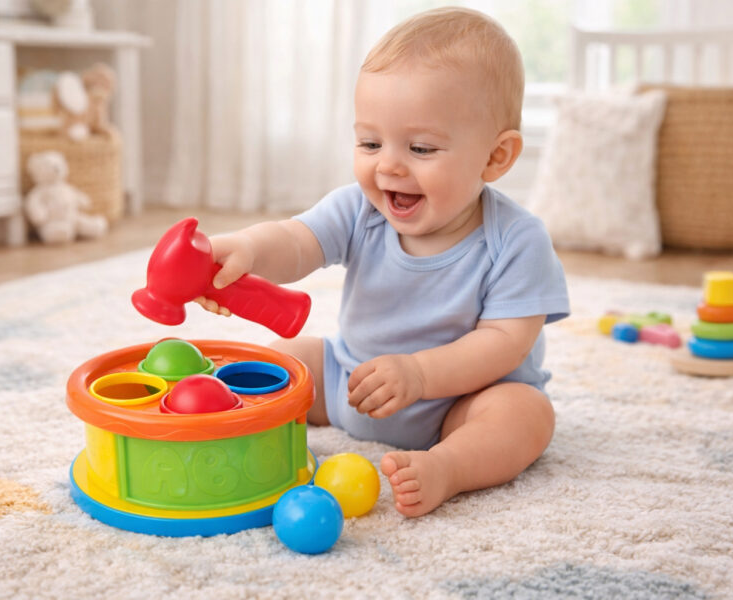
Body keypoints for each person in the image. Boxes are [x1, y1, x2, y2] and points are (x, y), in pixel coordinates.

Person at [196, 7, 570, 517]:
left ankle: (449, 467)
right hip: (349, 382)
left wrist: (419, 374)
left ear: (494, 157)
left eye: (421, 148)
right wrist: (249, 249)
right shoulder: (359, 210)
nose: (388, 165)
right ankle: (235, 428)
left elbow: (505, 343)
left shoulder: (517, 240)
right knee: (283, 361)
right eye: (370, 143)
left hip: (457, 405)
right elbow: (297, 240)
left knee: (523, 415)